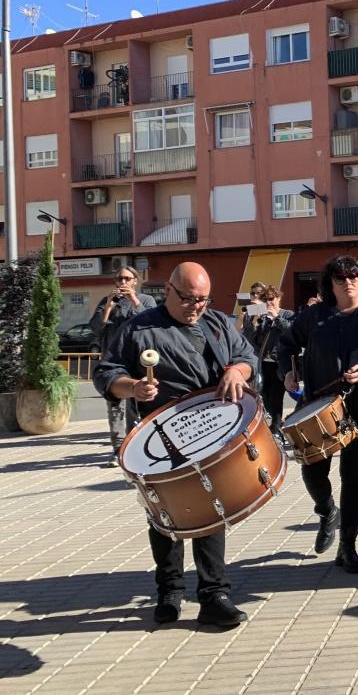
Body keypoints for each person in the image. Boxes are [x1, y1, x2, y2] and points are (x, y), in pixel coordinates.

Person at [93, 262, 257, 628]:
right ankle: (169, 591)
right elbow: (106, 373)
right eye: (188, 298)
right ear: (168, 290)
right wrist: (132, 387)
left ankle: (215, 594)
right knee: (165, 514)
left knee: (209, 510)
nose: (197, 306)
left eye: (203, 299)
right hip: (161, 434)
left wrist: (235, 371)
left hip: (211, 429)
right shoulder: (138, 327)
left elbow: (248, 359)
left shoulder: (216, 323)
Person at [277, 256, 358, 574]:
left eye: (355, 275)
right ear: (330, 283)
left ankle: (348, 546)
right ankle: (327, 510)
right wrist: (287, 372)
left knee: (352, 477)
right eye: (341, 276)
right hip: (318, 406)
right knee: (313, 472)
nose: (349, 281)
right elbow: (286, 344)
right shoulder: (313, 316)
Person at [89, 269, 158, 467]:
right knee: (115, 407)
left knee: (137, 406)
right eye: (120, 278)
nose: (123, 281)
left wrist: (134, 299)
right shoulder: (107, 301)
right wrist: (108, 306)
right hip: (114, 362)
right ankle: (118, 450)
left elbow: (151, 323)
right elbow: (95, 328)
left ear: (135, 281)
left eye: (127, 278)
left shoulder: (146, 300)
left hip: (138, 361)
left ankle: (136, 447)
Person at [245, 285, 293, 437]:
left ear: (278, 298)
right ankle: (275, 424)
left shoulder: (288, 314)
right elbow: (252, 339)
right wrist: (253, 320)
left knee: (276, 396)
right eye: (265, 300)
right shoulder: (262, 317)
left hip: (281, 363)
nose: (269, 303)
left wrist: (277, 318)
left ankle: (276, 428)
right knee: (265, 395)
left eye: (272, 299)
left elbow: (291, 331)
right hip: (264, 363)